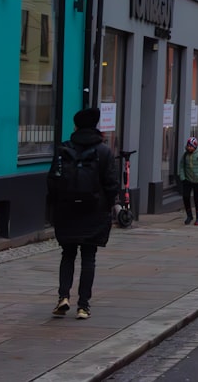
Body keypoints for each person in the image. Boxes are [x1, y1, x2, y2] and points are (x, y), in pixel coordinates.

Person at [48, 107, 120, 320]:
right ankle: (83, 305)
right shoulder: (104, 152)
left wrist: (55, 205)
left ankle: (63, 297)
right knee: (89, 257)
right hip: (94, 211)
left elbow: (52, 180)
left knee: (67, 254)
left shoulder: (63, 149)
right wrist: (109, 206)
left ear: (77, 126)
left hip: (67, 210)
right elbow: (111, 184)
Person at [178, 137, 198, 226]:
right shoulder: (185, 155)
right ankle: (189, 215)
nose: (189, 148)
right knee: (186, 197)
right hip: (187, 180)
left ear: (195, 146)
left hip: (197, 181)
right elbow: (181, 166)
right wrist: (182, 176)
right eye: (188, 146)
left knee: (197, 199)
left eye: (191, 146)